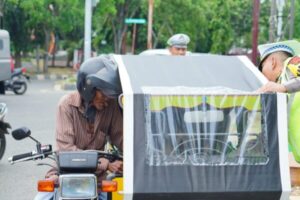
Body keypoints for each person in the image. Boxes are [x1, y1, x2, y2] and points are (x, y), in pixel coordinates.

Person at [34, 55, 123, 200]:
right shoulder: (66, 105)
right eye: (104, 93)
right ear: (89, 88)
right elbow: (66, 150)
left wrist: (136, 156)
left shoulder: (111, 106)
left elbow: (122, 138)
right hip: (66, 175)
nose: (108, 98)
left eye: (110, 93)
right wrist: (105, 164)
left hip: (97, 178)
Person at [256, 42, 300, 187]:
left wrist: (282, 87)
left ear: (273, 62)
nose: (262, 73)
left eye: (262, 67)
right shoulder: (284, 82)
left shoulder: (292, 64)